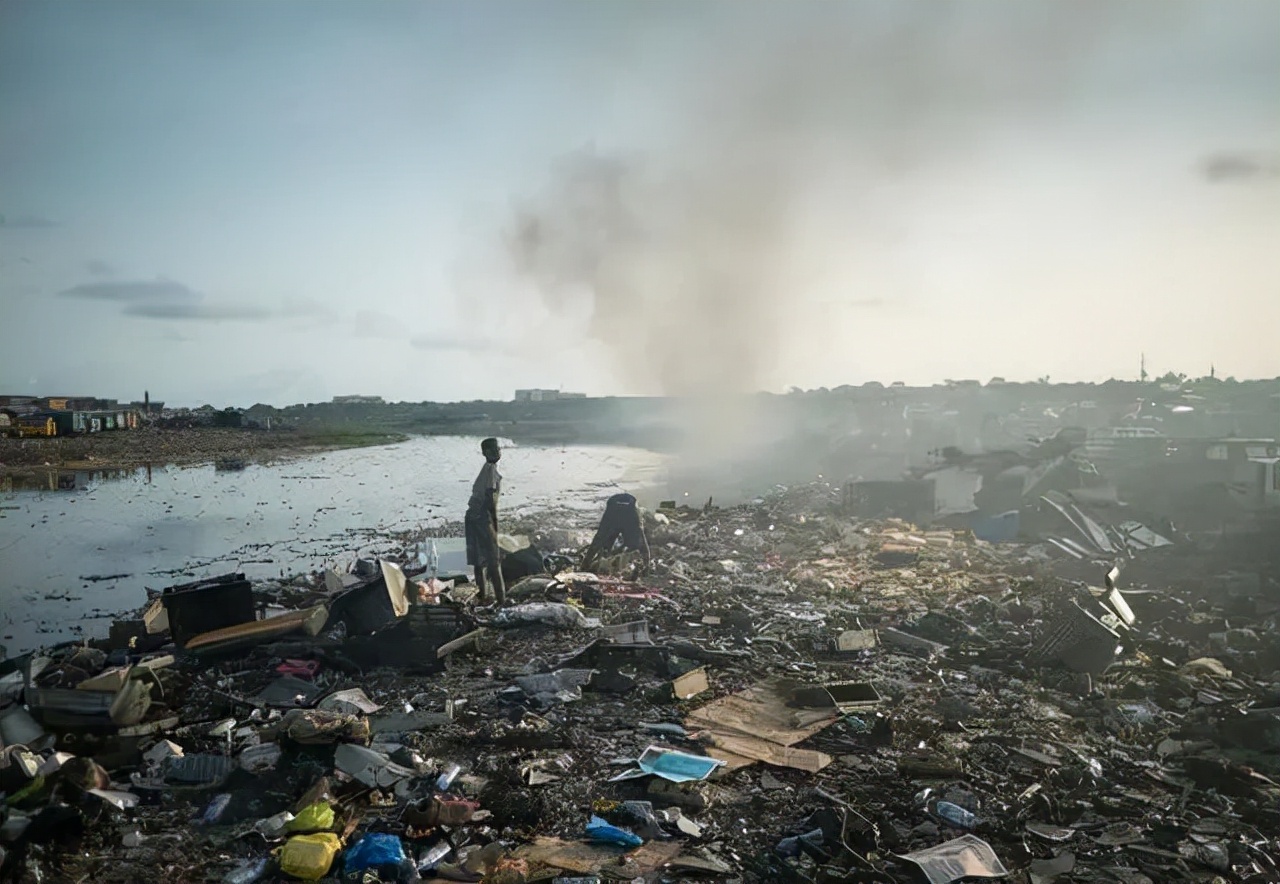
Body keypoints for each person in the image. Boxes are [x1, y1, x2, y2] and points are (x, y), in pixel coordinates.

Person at [465, 438, 505, 605]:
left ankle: (483, 595)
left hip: (472, 516)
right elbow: (490, 502)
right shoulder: (489, 470)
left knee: (478, 560)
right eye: (492, 450)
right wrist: (495, 528)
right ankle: (501, 599)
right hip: (481, 517)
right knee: (493, 560)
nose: (497, 452)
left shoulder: (489, 469)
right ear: (485, 453)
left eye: (498, 449)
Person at [582, 492, 652, 575]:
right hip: (628, 511)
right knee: (636, 544)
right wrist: (646, 564)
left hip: (614, 509)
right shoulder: (635, 514)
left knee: (602, 542)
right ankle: (645, 566)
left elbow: (598, 539)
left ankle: (585, 565)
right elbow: (642, 543)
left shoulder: (617, 509)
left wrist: (586, 562)